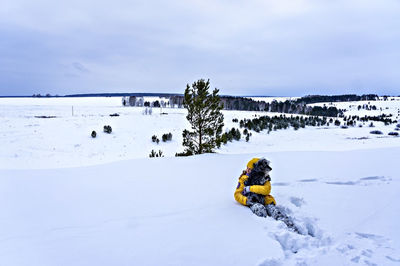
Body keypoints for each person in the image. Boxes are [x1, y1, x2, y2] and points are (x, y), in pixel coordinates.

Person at [234, 158, 300, 233]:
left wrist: (250, 188)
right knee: (259, 210)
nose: (247, 170)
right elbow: (237, 194)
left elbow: (266, 190)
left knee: (275, 212)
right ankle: (270, 229)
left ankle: (291, 228)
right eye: (247, 168)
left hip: (266, 200)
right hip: (253, 201)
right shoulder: (243, 179)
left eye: (250, 169)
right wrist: (246, 200)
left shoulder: (265, 178)